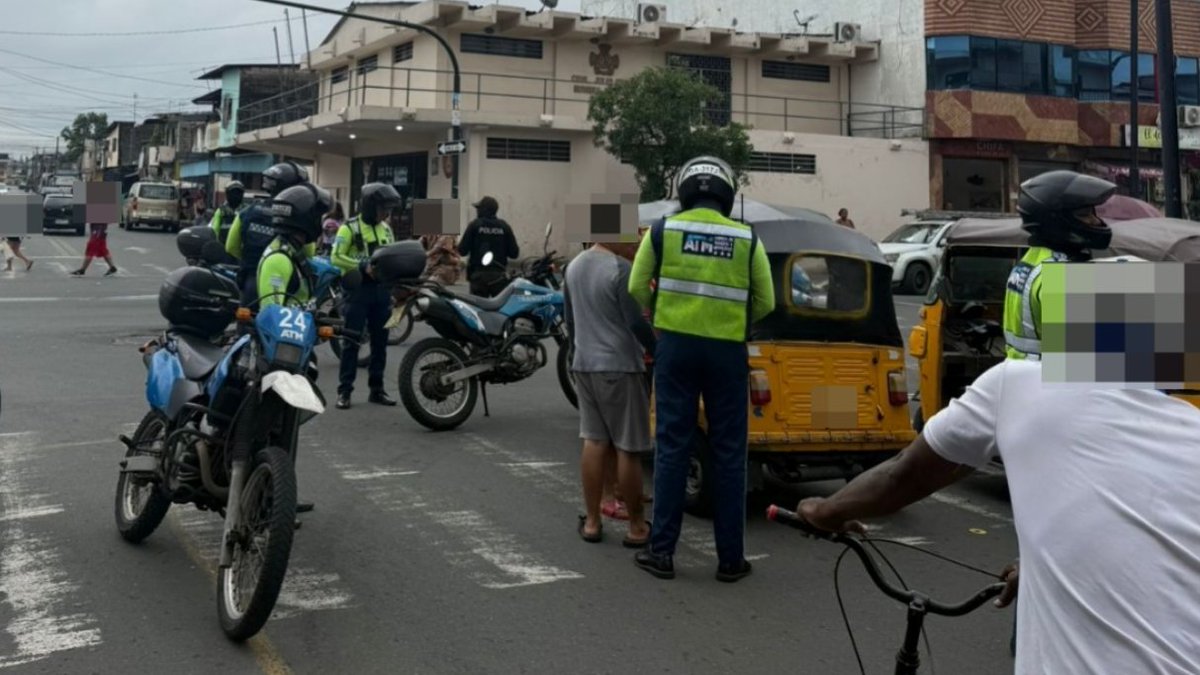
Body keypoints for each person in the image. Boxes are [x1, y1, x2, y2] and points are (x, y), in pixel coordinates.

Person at [794, 356, 1200, 673]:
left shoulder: (1019, 384)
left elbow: (904, 476)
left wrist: (826, 510)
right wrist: (1051, 561)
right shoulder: (1189, 431)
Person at [627, 155, 775, 582]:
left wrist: (660, 320)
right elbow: (766, 301)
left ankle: (662, 554)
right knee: (730, 453)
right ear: (727, 195)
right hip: (727, 352)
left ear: (685, 191)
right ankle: (730, 561)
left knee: (673, 447)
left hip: (675, 347)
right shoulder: (747, 238)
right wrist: (736, 322)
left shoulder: (663, 231)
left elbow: (637, 285)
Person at [565, 238, 657, 546]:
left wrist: (578, 353)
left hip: (583, 363)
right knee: (628, 448)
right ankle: (637, 527)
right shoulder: (621, 269)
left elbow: (571, 322)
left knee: (594, 441)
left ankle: (592, 522)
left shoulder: (574, 266)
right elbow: (635, 322)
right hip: (618, 365)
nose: (635, 242)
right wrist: (660, 349)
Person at [1003, 170, 1116, 361]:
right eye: (1085, 214)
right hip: (1052, 383)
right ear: (1056, 219)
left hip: (1024, 377)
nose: (1095, 221)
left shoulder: (1030, 262)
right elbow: (1094, 356)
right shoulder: (1060, 277)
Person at [331, 182, 403, 409]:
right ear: (370, 206)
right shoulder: (349, 228)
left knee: (380, 344)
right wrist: (362, 266)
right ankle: (344, 392)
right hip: (358, 292)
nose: (387, 213)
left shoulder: (387, 229)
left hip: (381, 293)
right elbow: (336, 257)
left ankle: (377, 390)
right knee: (351, 342)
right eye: (383, 208)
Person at [227, 162, 311, 309]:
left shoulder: (247, 212)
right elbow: (309, 252)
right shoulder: (298, 219)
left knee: (247, 325)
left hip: (250, 280)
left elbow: (231, 246)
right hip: (284, 283)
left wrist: (253, 260)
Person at [458, 196, 519, 297]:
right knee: (500, 311)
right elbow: (514, 253)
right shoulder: (504, 226)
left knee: (477, 310)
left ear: (484, 210)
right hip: (499, 277)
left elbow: (462, 250)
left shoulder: (474, 225)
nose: (477, 211)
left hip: (478, 277)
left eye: (479, 209)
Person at [209, 181, 245, 248]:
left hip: (241, 251)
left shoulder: (246, 211)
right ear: (227, 194)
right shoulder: (221, 211)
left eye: (238, 193)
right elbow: (214, 231)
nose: (235, 195)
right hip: (223, 249)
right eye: (233, 192)